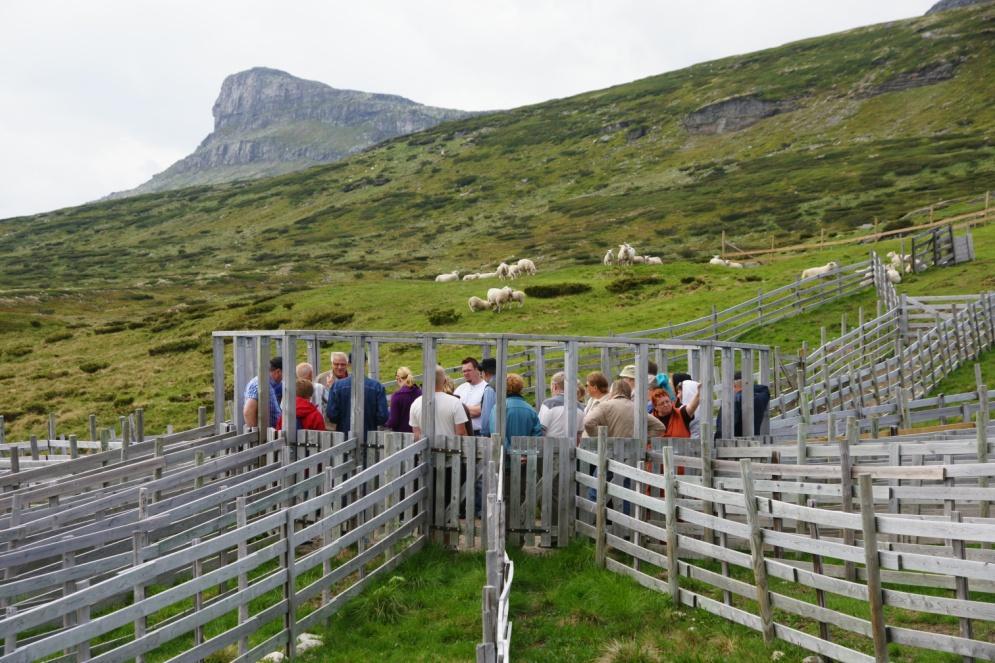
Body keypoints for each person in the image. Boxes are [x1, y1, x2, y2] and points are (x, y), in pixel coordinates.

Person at [325, 354, 388, 437]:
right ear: (365, 363)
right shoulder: (377, 387)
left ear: (349, 364)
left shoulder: (337, 386)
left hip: (344, 435)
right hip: (369, 436)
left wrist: (343, 421)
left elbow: (331, 414)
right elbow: (383, 416)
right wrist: (370, 422)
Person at [583, 379, 666, 438]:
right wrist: (642, 440)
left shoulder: (604, 406)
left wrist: (599, 439)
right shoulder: (637, 409)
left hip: (608, 454)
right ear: (629, 392)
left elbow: (587, 422)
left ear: (613, 392)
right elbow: (659, 427)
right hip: (632, 456)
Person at [409, 366, 469, 438]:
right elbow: (461, 434)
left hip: (426, 448)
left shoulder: (415, 403)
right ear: (445, 381)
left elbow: (417, 435)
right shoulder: (455, 402)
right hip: (449, 448)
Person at [489, 373, 541, 449]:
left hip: (505, 458)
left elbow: (496, 434)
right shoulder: (531, 410)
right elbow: (537, 435)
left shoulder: (498, 408)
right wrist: (526, 454)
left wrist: (512, 452)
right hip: (527, 459)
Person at [715, 371, 771, 438]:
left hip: (736, 442)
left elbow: (722, 427)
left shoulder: (734, 401)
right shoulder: (760, 396)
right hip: (755, 439)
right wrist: (747, 386)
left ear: (734, 385)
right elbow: (765, 389)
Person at [538, 371, 585, 442]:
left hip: (549, 449)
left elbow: (540, 430)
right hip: (571, 450)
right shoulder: (580, 407)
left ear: (555, 386)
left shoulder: (548, 404)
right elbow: (579, 435)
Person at [243, 356, 283, 429]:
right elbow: (248, 412)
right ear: (278, 372)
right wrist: (256, 436)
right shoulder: (259, 384)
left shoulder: (272, 384)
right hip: (266, 437)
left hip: (272, 435)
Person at [454, 357, 488, 435]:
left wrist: (459, 410)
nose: (466, 373)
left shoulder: (486, 388)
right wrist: (472, 409)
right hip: (462, 433)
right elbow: (451, 409)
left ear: (477, 370)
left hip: (479, 434)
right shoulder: (460, 389)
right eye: (464, 371)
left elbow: (480, 411)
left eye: (469, 370)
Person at [385, 366, 422, 433]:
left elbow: (393, 421)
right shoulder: (419, 392)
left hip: (401, 436)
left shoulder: (397, 396)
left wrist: (385, 425)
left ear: (398, 378)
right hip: (418, 433)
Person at [478, 358, 498, 437]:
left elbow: (487, 415)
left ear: (485, 373)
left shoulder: (490, 388)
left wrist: (484, 434)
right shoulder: (507, 382)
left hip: (493, 435)